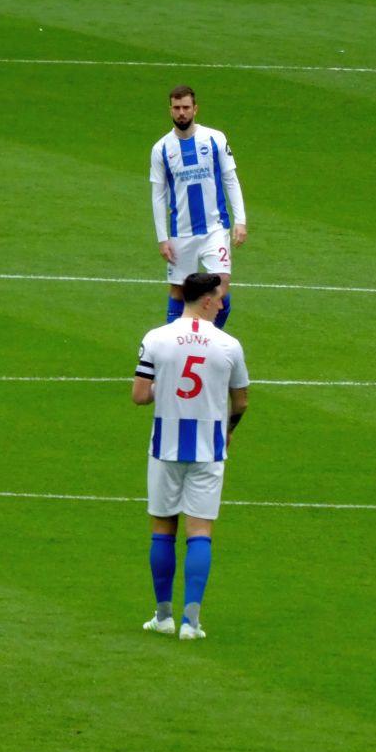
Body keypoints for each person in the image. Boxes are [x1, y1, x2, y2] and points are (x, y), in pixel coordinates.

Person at [132, 272, 250, 640]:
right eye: (218, 298)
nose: (221, 304)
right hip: (208, 448)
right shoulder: (229, 344)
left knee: (163, 528)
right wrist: (229, 428)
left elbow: (139, 395)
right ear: (205, 300)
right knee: (200, 531)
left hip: (165, 446)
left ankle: (163, 615)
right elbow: (242, 399)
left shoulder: (156, 338)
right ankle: (191, 623)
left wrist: (161, 391)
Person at [149, 84, 247, 330]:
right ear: (170, 110)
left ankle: (208, 339)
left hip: (215, 228)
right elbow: (158, 195)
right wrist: (162, 238)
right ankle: (177, 346)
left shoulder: (215, 138)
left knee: (221, 289)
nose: (181, 112)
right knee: (178, 292)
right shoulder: (161, 149)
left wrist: (241, 220)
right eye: (176, 108)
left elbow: (230, 179)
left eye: (186, 107)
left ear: (195, 109)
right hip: (181, 232)